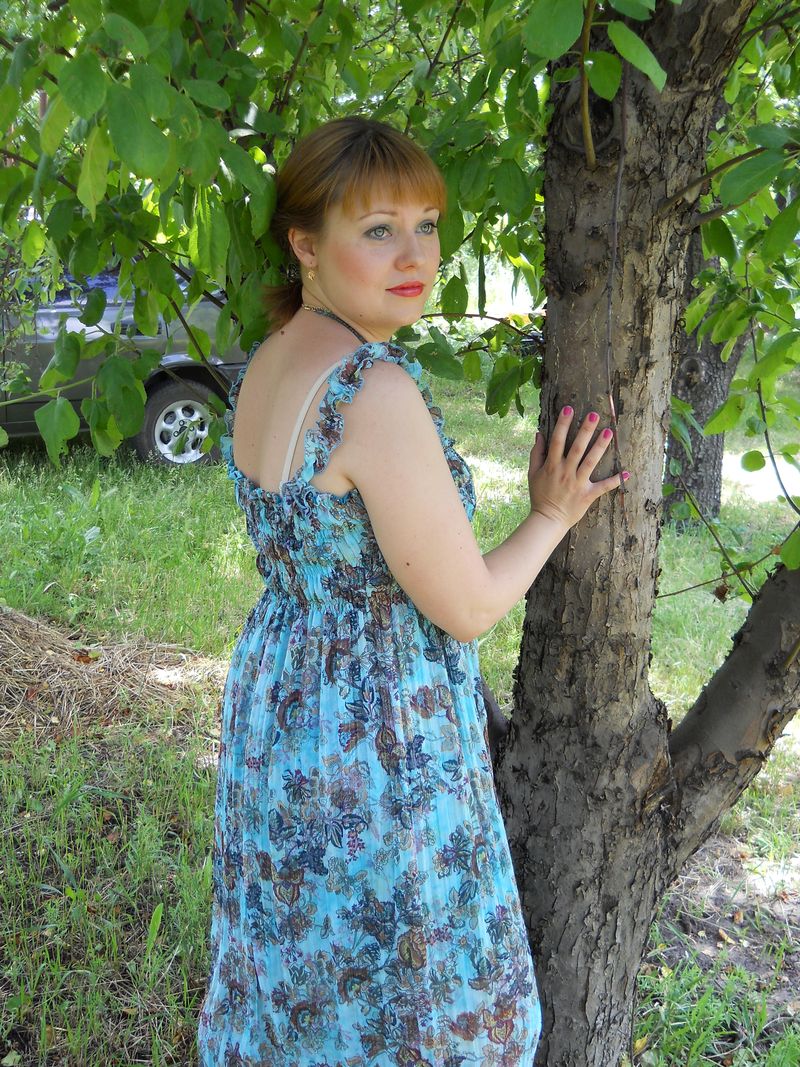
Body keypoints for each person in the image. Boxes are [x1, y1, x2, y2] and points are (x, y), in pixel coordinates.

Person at [196, 116, 628, 1067]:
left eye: (426, 226)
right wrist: (552, 513)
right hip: (376, 727)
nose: (415, 256)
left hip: (283, 703)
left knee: (304, 979)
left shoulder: (272, 360)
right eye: (378, 229)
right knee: (417, 1004)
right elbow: (467, 606)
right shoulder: (373, 391)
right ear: (306, 244)